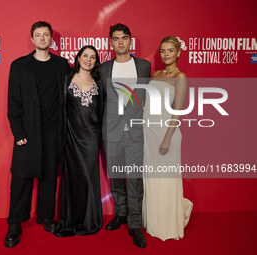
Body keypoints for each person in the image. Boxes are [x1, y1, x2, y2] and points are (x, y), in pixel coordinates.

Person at [4, 21, 71, 248]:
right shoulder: (19, 66)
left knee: (49, 176)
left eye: (46, 35)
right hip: (28, 133)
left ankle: (45, 215)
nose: (42, 38)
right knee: (21, 179)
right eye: (38, 35)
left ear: (52, 39)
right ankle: (15, 223)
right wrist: (18, 132)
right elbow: (13, 103)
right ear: (32, 39)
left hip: (54, 132)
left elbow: (73, 93)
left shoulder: (62, 65)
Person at [100, 23, 151, 248]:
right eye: (116, 39)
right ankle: (120, 212)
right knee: (116, 176)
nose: (120, 42)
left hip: (136, 132)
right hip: (111, 131)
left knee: (134, 178)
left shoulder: (144, 66)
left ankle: (135, 223)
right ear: (111, 42)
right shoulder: (103, 69)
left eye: (124, 38)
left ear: (131, 41)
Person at [142, 36, 193, 241]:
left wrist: (167, 138)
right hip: (148, 133)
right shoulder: (156, 74)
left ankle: (166, 223)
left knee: (165, 180)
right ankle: (153, 219)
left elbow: (177, 111)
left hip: (166, 135)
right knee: (152, 180)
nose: (166, 54)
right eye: (163, 51)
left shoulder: (180, 77)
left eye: (170, 50)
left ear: (179, 52)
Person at [54, 45, 104, 237]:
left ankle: (89, 220)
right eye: (85, 56)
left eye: (92, 57)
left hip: (91, 137)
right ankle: (71, 219)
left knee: (88, 178)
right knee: (72, 178)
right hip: (71, 137)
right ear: (78, 58)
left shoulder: (99, 82)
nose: (88, 60)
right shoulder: (66, 79)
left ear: (95, 61)